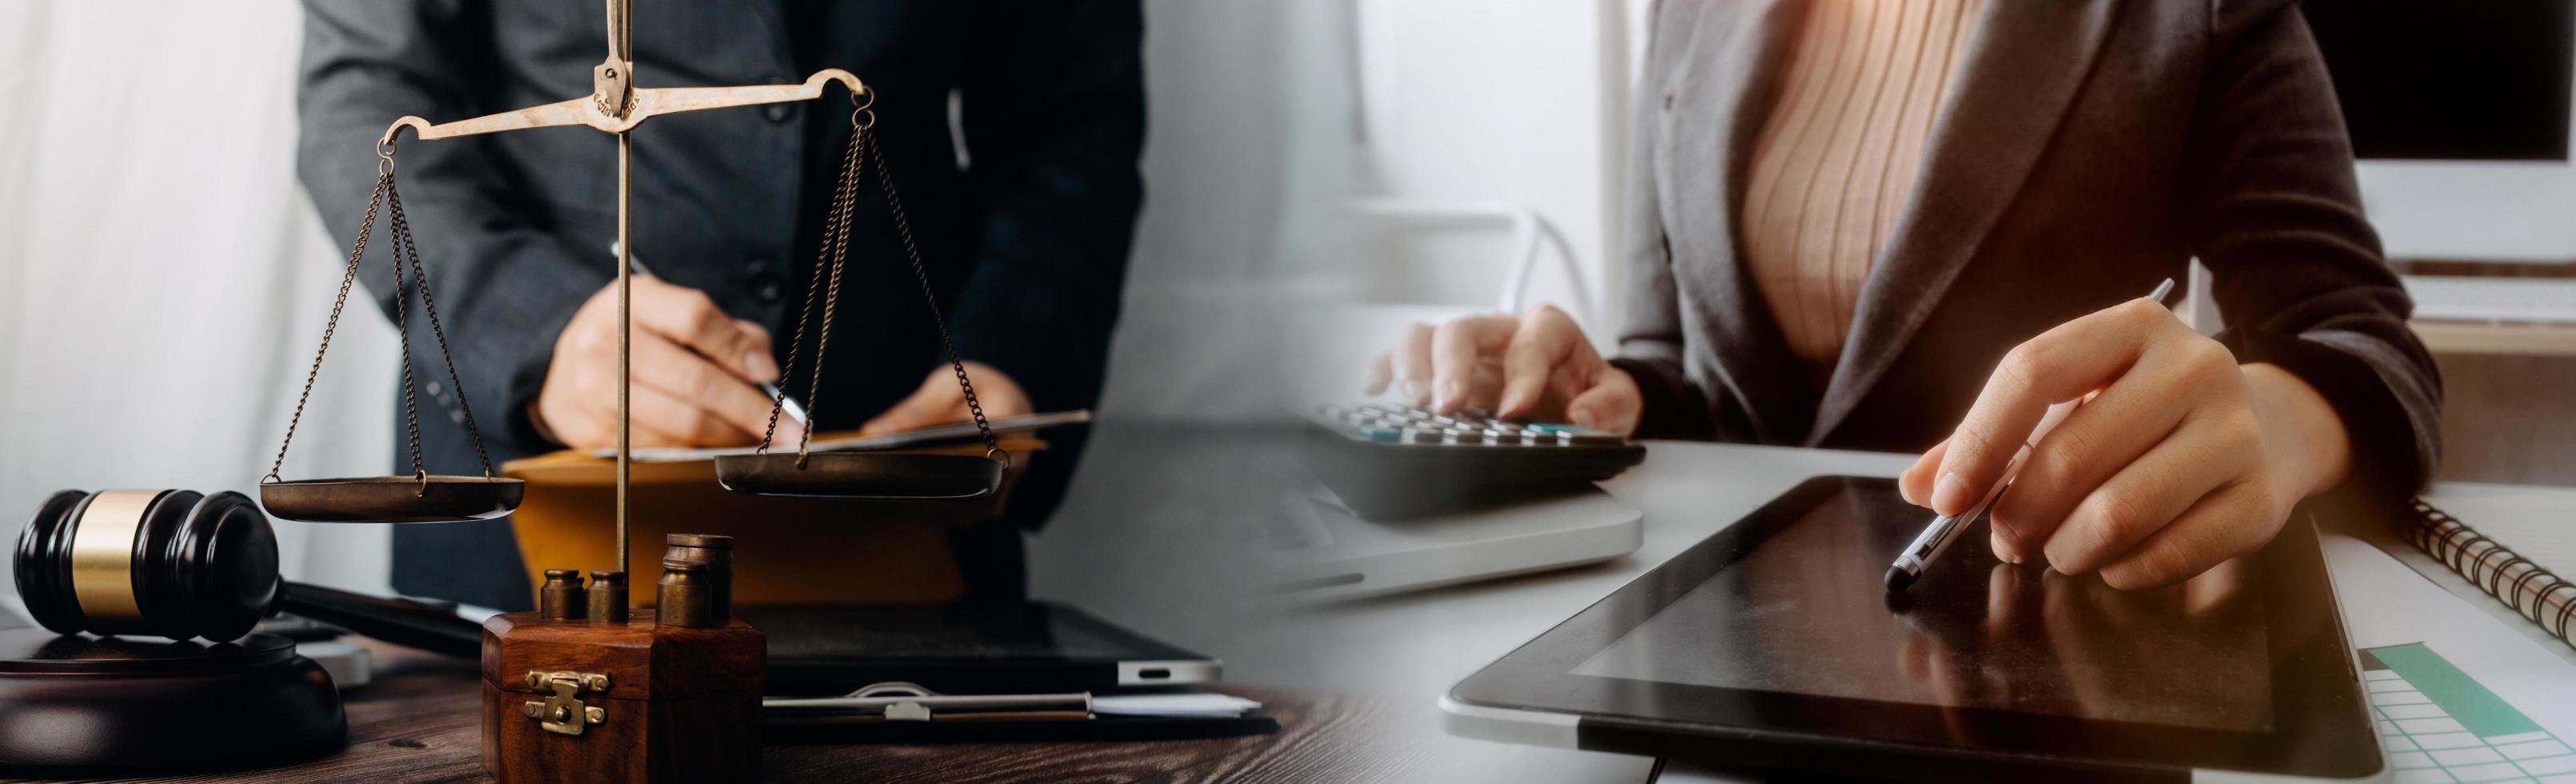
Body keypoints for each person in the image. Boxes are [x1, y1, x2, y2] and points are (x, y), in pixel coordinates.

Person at [1370, 0, 2439, 590]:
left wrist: (2272, 415)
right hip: (1709, 636)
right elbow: (1680, 366)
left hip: (2038, 641)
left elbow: (2355, 333)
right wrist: (1597, 401)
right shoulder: (1690, 13)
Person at [297, 1, 1144, 610]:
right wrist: (538, 334)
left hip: (900, 496)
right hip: (535, 517)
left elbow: (1074, 118)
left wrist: (1008, 353)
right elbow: (366, 97)